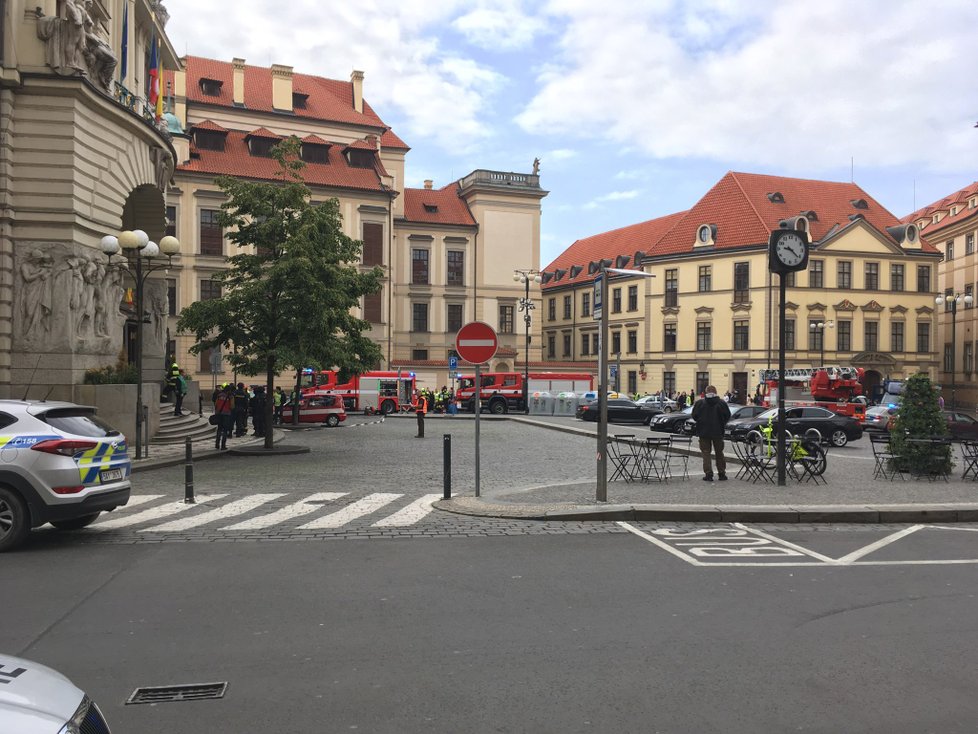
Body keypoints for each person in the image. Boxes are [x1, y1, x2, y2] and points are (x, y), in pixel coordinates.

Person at [691, 384, 732, 482]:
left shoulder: (700, 403)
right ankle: (722, 473)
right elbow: (728, 415)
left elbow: (694, 416)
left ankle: (708, 474)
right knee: (719, 453)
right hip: (718, 431)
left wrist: (701, 422)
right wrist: (721, 423)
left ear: (706, 392)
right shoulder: (722, 403)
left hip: (703, 432)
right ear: (716, 392)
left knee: (706, 453)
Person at [214, 384, 235, 450]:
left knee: (219, 429)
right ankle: (223, 445)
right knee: (225, 430)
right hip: (227, 414)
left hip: (219, 413)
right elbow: (232, 406)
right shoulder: (230, 396)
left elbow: (216, 404)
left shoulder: (219, 395)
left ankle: (217, 444)